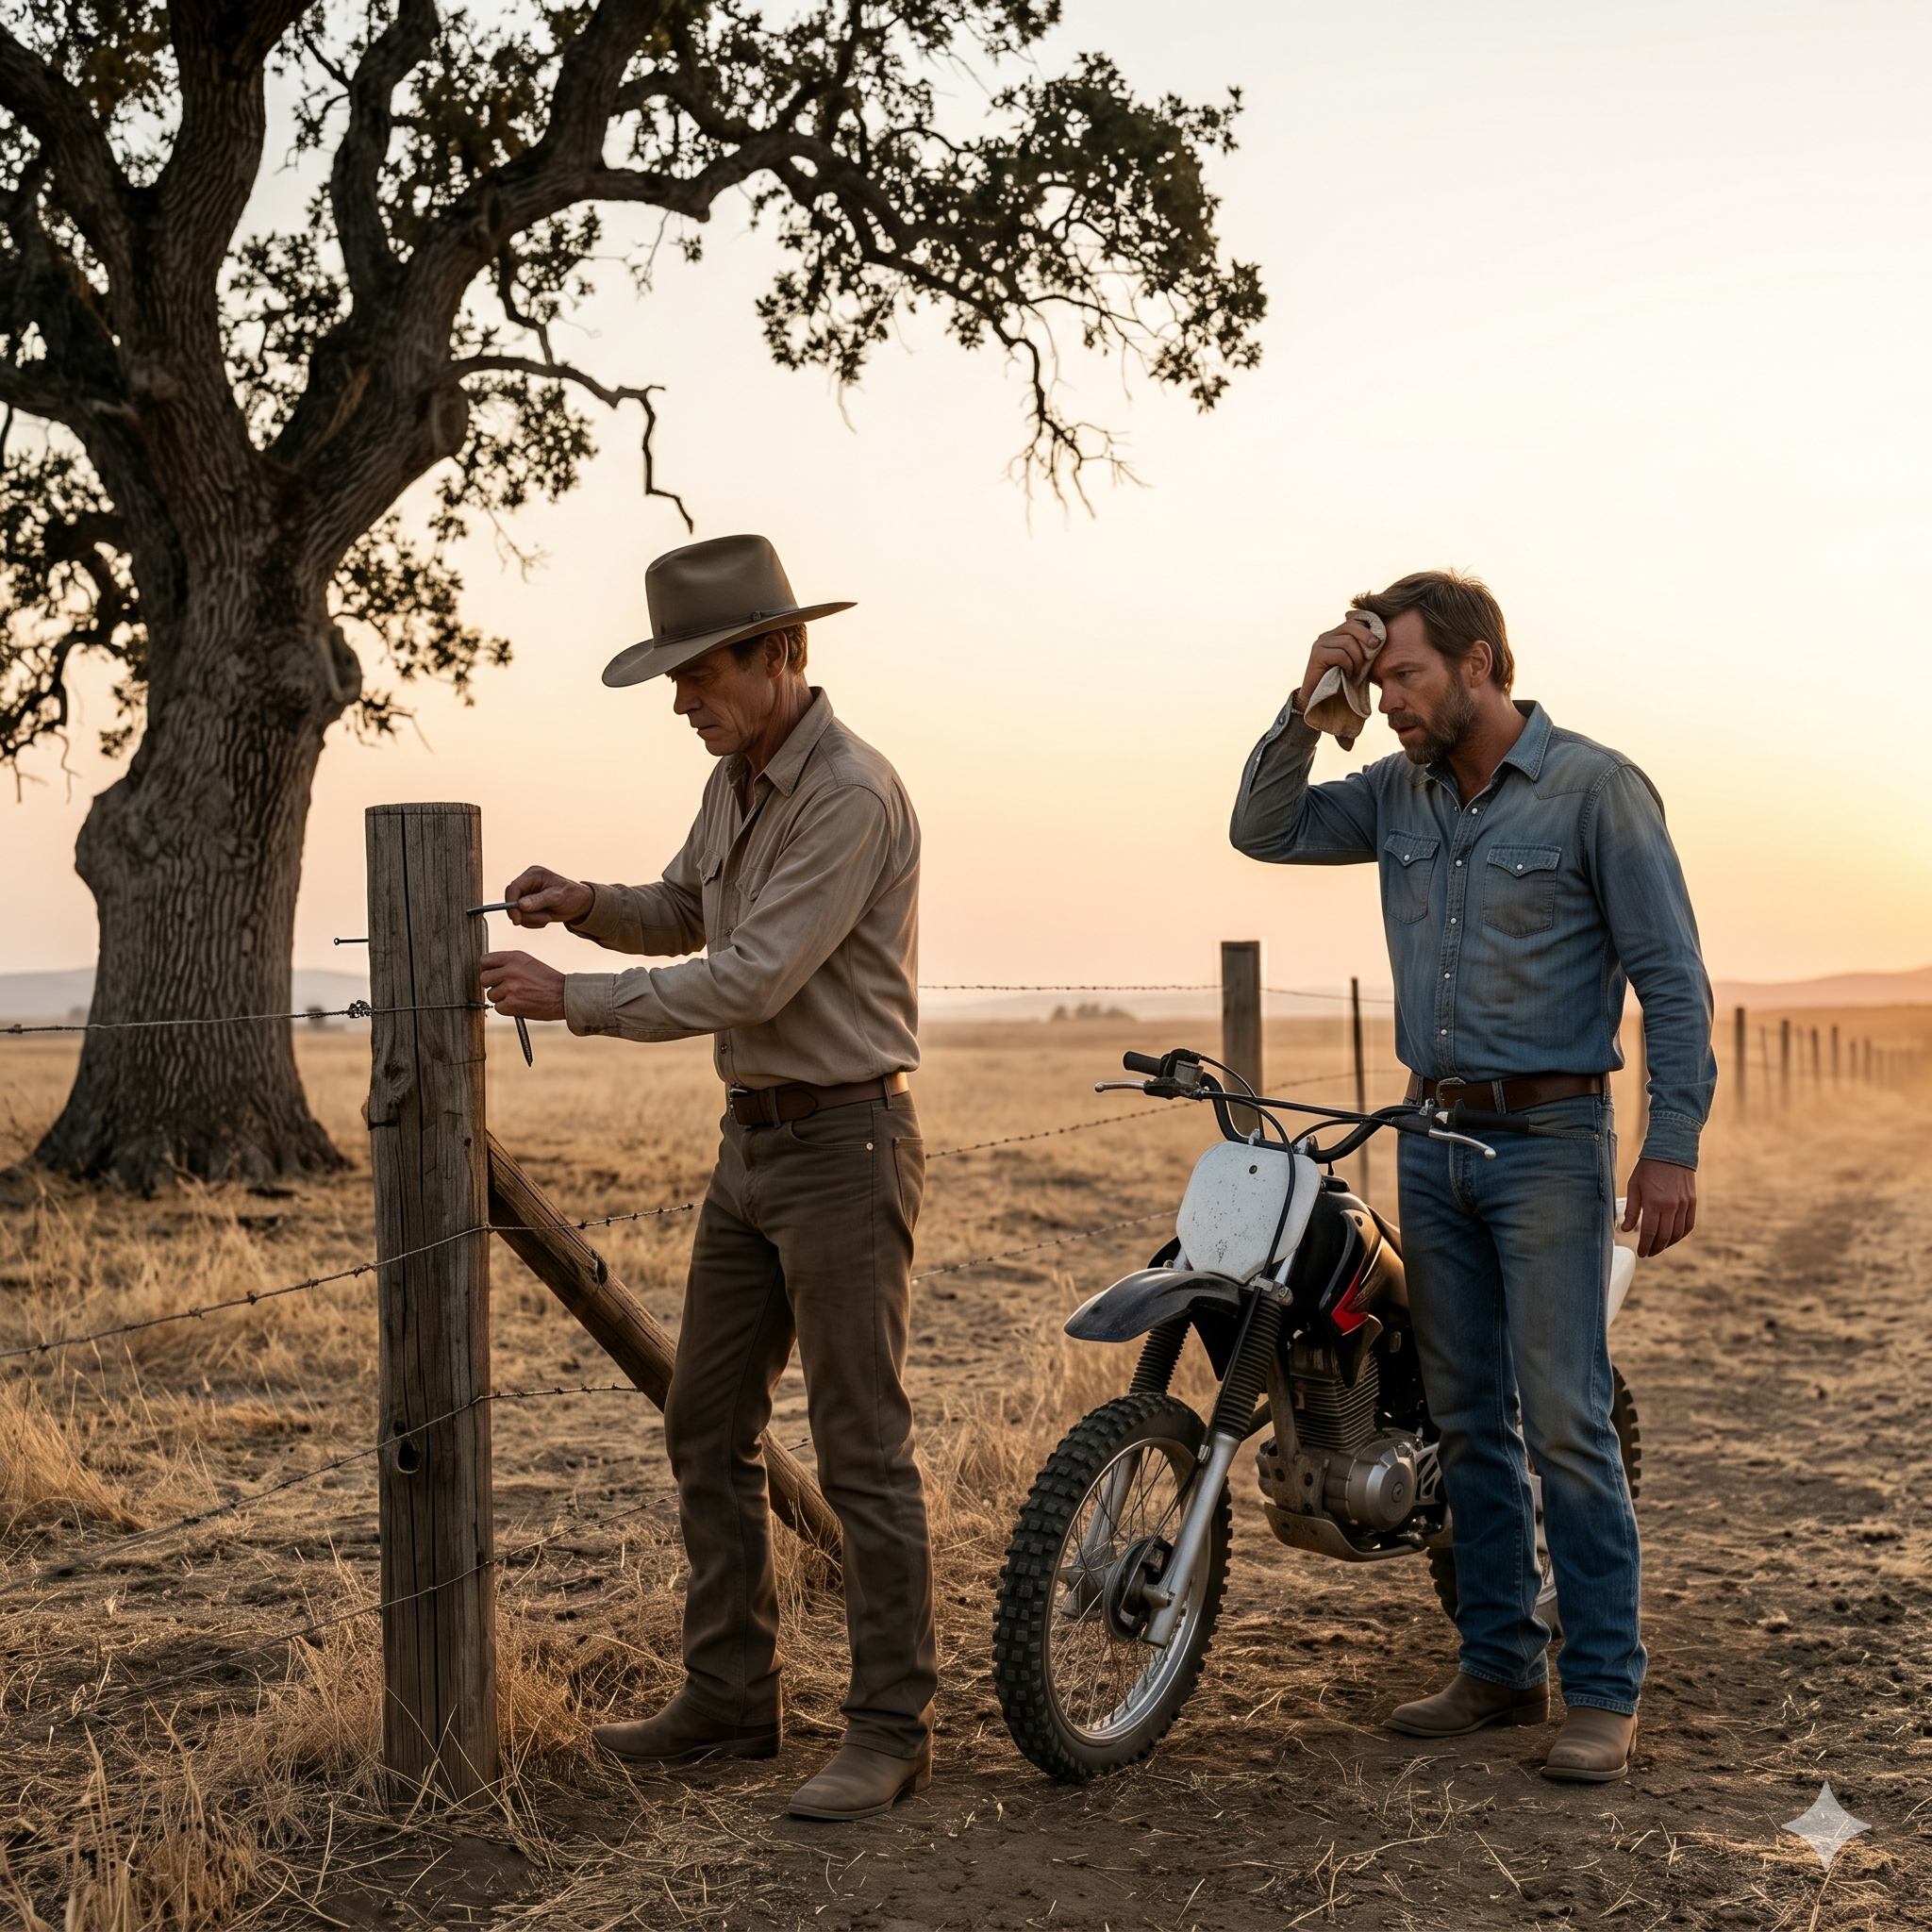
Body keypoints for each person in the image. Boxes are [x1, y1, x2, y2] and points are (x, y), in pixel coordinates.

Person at [1228, 570, 1714, 1783]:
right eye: (1374, 675)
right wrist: (1308, 698)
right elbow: (1263, 828)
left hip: (1550, 1146)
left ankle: (1601, 1687)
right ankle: (1498, 1660)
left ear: (1480, 664)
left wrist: (1671, 1144)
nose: (1386, 699)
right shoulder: (1392, 792)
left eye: (1404, 674)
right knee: (1463, 1416)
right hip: (1430, 1137)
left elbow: (1671, 975)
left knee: (1563, 1412)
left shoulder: (1594, 790)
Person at [479, 531, 934, 1823]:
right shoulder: (740, 777)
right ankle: (733, 1699)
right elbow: (689, 909)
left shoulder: (847, 793)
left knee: (864, 1450)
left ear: (779, 655)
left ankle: (893, 1730)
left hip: (846, 1148)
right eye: (677, 678)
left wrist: (574, 998)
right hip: (754, 1147)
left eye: (698, 674)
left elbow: (754, 975)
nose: (682, 700)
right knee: (705, 1420)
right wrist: (584, 900)